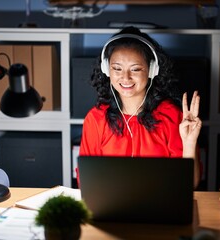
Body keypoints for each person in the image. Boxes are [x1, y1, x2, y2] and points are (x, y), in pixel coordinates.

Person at [79, 26, 202, 189]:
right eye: (117, 68)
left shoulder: (171, 116)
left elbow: (189, 185)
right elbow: (86, 182)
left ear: (152, 70)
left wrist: (189, 143)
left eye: (135, 69)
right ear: (106, 69)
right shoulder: (96, 118)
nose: (125, 77)